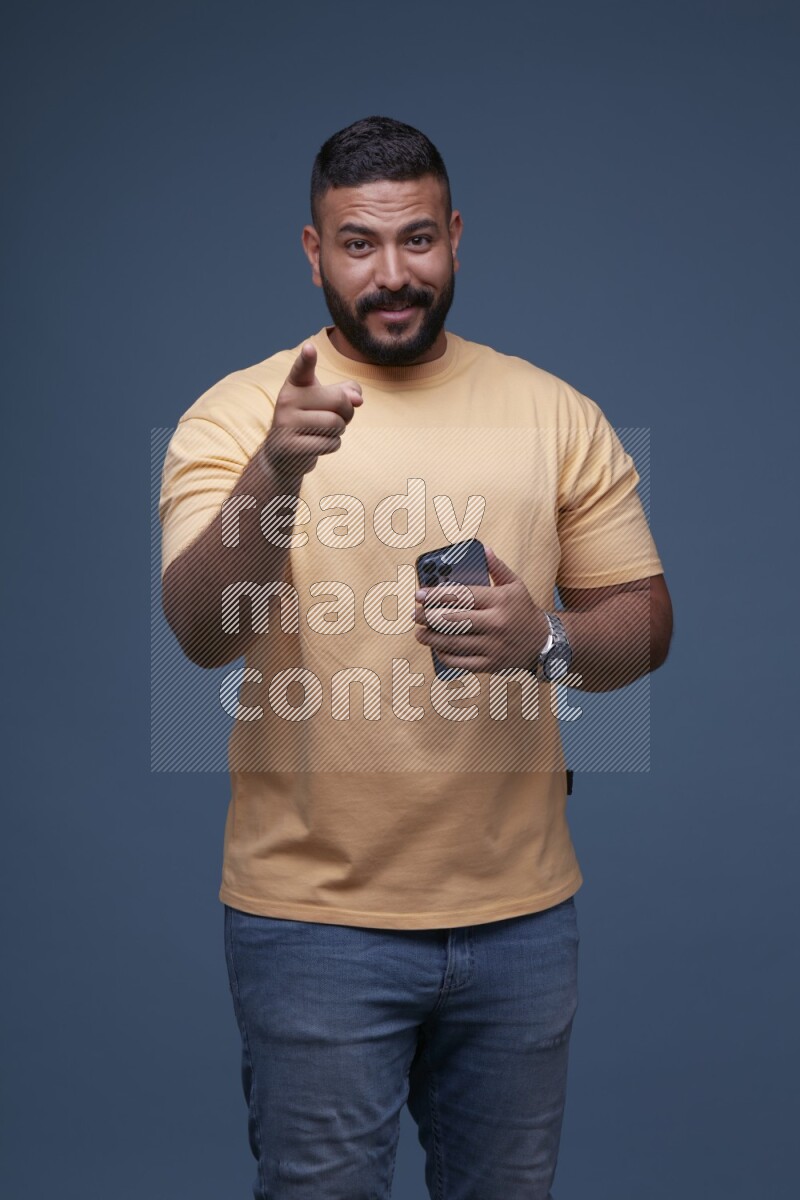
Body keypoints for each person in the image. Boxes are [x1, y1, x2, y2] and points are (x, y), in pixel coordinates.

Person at [158, 115, 673, 1200]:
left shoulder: (553, 413)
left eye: (417, 239)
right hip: (312, 923)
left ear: (455, 237)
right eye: (358, 243)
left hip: (523, 919)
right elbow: (201, 634)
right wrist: (274, 476)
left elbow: (644, 624)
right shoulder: (240, 416)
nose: (391, 273)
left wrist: (543, 640)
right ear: (314, 252)